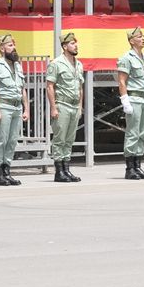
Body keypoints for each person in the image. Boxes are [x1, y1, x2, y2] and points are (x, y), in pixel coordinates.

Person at [0, 34, 26, 186]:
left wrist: (26, 109)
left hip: (17, 106)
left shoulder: (18, 66)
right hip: (4, 106)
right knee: (1, 140)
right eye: (10, 45)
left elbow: (22, 89)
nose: (13, 48)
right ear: (2, 49)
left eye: (13, 45)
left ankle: (7, 170)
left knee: (12, 140)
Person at [115, 27, 144, 180]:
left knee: (143, 133)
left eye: (143, 36)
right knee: (133, 133)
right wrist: (125, 100)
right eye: (139, 37)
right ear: (131, 41)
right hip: (134, 98)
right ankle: (130, 168)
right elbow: (122, 81)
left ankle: (138, 165)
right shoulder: (126, 58)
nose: (143, 39)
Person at [45, 32, 86, 183]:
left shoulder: (79, 64)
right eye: (72, 43)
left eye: (76, 43)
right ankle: (59, 171)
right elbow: (50, 86)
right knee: (60, 139)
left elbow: (80, 87)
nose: (76, 46)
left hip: (74, 105)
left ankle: (66, 169)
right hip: (62, 104)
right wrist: (53, 107)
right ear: (64, 46)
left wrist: (80, 106)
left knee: (69, 139)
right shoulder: (56, 64)